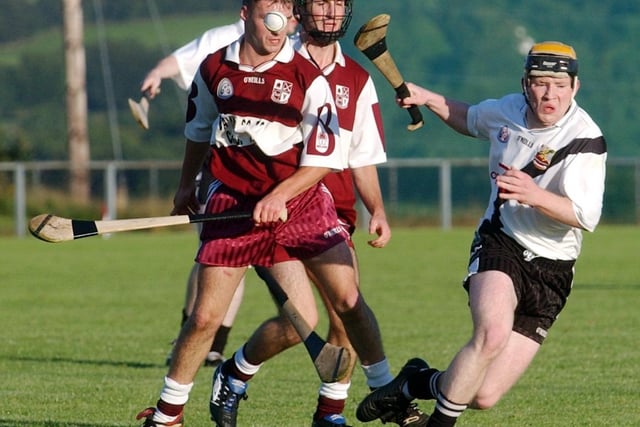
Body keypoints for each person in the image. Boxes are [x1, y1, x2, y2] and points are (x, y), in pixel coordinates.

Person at [136, 1, 395, 426]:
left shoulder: (309, 77)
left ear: (293, 20)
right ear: (245, 14)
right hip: (233, 202)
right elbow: (199, 132)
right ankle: (166, 416)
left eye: (284, 17)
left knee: (342, 302)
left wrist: (282, 196)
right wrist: (186, 185)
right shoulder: (214, 68)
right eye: (268, 15)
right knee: (204, 317)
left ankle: (385, 392)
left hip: (301, 202)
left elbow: (324, 159)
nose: (277, 27)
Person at [356, 41, 607, 427]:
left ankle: (413, 383)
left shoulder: (586, 139)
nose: (549, 93)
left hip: (554, 272)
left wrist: (535, 195)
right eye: (540, 82)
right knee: (491, 334)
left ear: (575, 87)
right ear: (526, 83)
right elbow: (469, 117)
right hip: (501, 242)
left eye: (559, 84)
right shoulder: (507, 110)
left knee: (483, 395)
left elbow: (584, 214)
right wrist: (427, 97)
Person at [208, 1, 429, 426]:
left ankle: (265, 385)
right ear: (300, 11)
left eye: (337, 4)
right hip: (280, 213)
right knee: (327, 309)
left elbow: (362, 155)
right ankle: (385, 401)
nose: (329, 12)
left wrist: (377, 209)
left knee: (342, 311)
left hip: (337, 213)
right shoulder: (271, 61)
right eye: (319, 3)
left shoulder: (358, 79)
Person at [140, 19, 246, 368]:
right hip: (218, 168)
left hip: (276, 177)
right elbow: (181, 60)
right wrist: (158, 72)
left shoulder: (294, 45)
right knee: (217, 254)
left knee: (240, 261)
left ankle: (216, 343)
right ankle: (196, 337)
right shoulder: (223, 39)